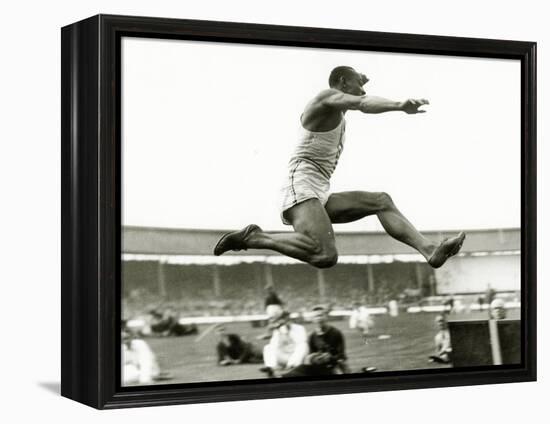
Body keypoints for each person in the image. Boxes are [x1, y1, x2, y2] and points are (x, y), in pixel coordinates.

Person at [214, 66, 465, 269]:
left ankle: (430, 251)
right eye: (358, 85)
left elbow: (356, 99)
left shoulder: (339, 108)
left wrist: (359, 82)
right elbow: (363, 103)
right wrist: (399, 105)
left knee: (381, 201)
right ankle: (254, 238)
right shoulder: (324, 98)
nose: (362, 90)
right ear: (343, 83)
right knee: (325, 255)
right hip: (300, 185)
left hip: (319, 189)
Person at [284, 305, 350, 377]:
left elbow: (341, 356)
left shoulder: (336, 333)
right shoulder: (312, 336)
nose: (319, 318)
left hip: (332, 367)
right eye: (316, 316)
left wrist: (330, 358)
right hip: (317, 367)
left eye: (321, 315)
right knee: (290, 375)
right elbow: (310, 356)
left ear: (326, 317)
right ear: (313, 319)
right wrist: (315, 358)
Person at [261, 310, 309, 377]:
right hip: (284, 356)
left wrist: (288, 332)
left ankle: (292, 366)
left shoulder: (299, 328)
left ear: (289, 319)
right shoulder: (278, 331)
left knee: (303, 345)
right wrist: (280, 333)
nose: (285, 321)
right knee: (268, 347)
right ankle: (271, 367)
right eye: (282, 319)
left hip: (296, 357)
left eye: (286, 319)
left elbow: (301, 342)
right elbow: (274, 346)